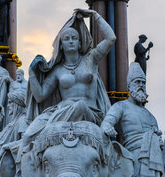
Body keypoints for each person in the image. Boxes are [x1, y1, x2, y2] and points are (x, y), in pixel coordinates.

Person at [23, 8, 115, 148]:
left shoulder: (91, 59)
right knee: (28, 135)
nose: (71, 41)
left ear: (79, 43)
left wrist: (94, 15)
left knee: (79, 105)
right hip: (61, 111)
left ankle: (48, 131)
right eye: (66, 39)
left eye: (74, 38)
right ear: (61, 45)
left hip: (89, 111)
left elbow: (111, 38)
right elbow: (40, 96)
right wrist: (31, 74)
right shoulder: (57, 70)